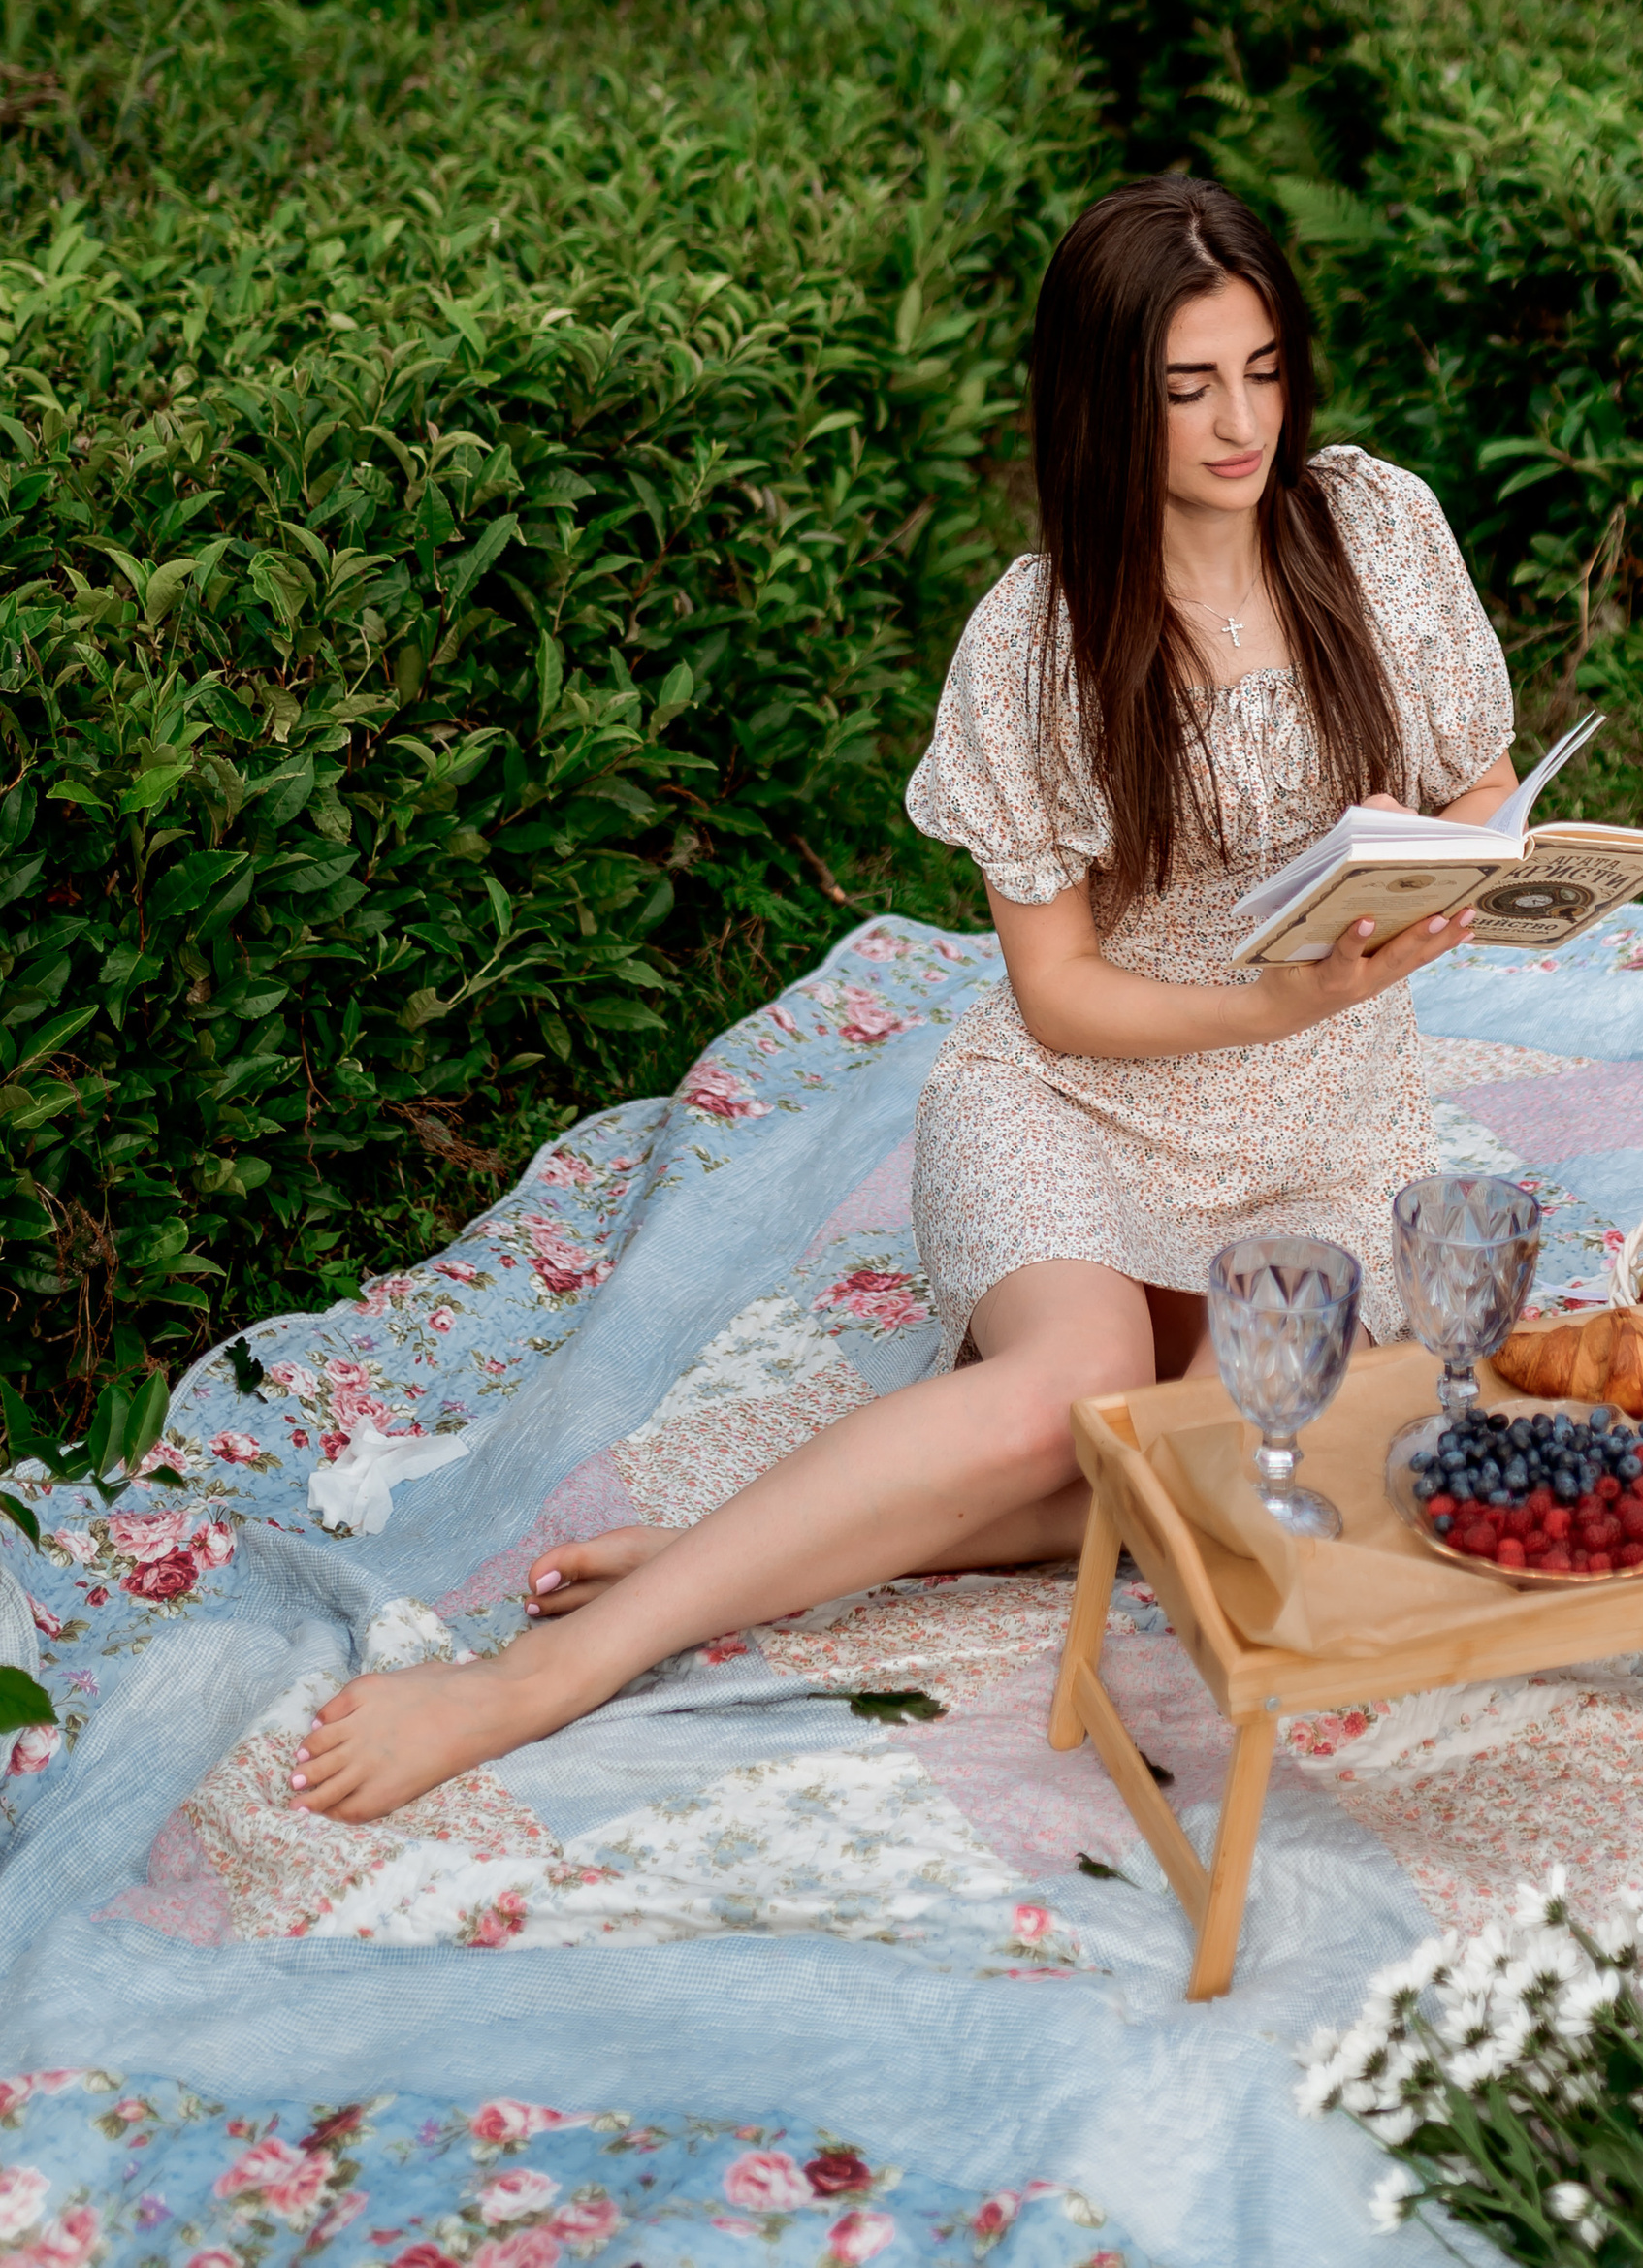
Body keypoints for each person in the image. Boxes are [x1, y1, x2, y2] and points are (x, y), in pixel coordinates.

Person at [292, 175, 1516, 1822]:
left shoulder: (1376, 528)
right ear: (1104, 399)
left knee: (1270, 1469)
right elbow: (1065, 997)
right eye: (1190, 387)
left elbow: (1480, 789)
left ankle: (779, 1540)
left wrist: (1473, 873)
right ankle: (551, 1671)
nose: (1243, 423)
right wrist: (1274, 1000)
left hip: (1323, 1124)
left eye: (1267, 370)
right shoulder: (1038, 642)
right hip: (1087, 1099)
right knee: (1060, 1402)